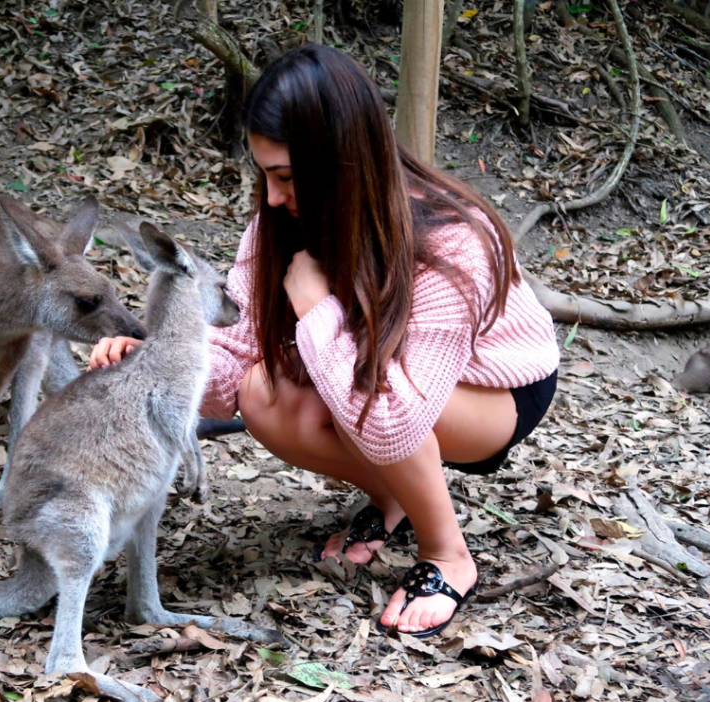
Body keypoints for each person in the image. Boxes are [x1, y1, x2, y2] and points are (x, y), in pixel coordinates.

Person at [90, 44, 559, 637]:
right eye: (265, 175)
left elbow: (395, 419)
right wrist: (155, 367)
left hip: (492, 395)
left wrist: (316, 310)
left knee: (372, 393)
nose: (273, 197)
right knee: (266, 394)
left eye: (286, 177)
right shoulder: (277, 227)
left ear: (343, 162)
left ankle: (447, 555)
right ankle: (393, 498)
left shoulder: (451, 240)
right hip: (382, 379)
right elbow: (233, 370)